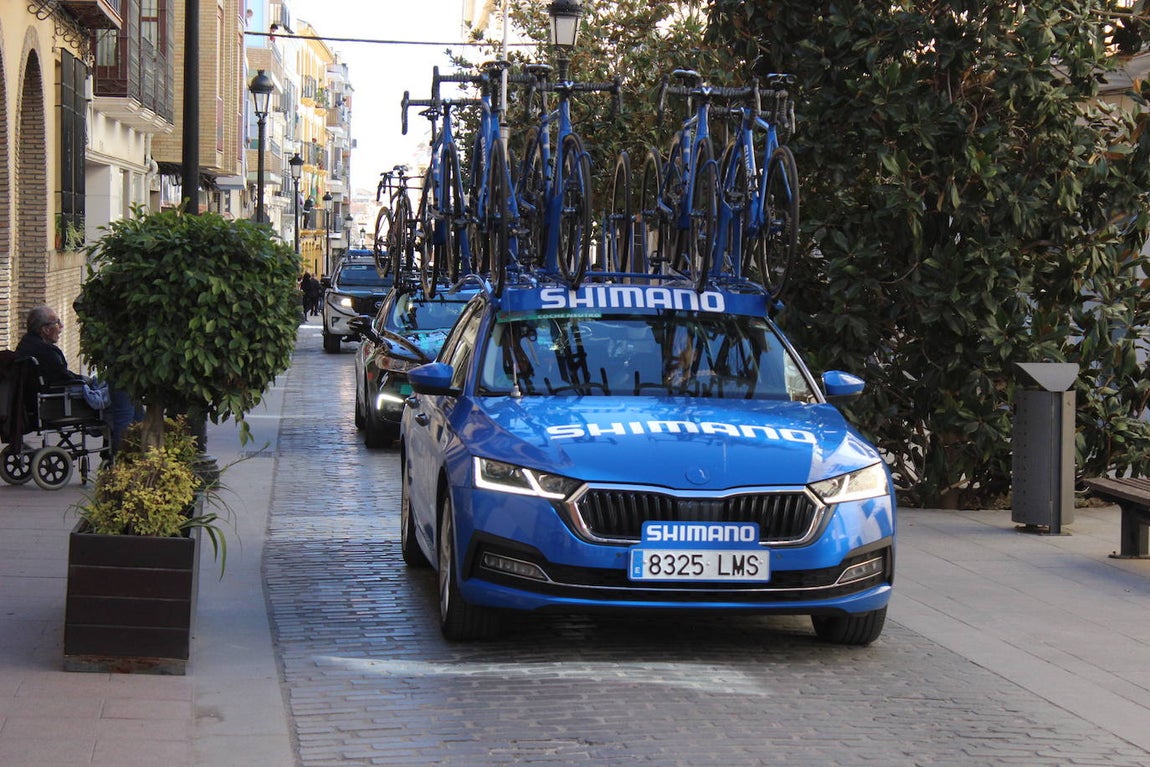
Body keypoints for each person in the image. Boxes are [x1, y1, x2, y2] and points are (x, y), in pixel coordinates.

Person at [14, 305, 86, 385]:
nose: (61, 326)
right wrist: (87, 380)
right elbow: (66, 378)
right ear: (46, 329)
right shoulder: (47, 352)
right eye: (57, 322)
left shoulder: (24, 344)